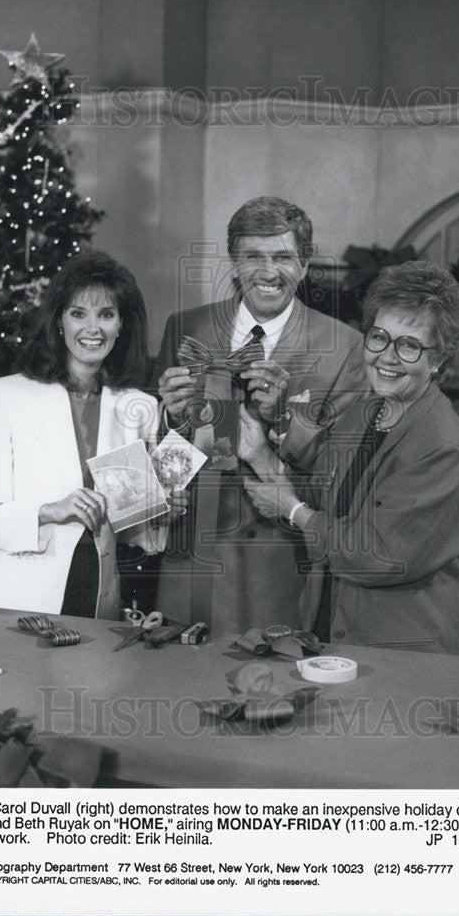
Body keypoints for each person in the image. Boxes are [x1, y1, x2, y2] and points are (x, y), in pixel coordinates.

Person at [238, 260, 459, 653]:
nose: (387, 357)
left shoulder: (442, 449)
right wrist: (260, 455)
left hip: (410, 646)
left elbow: (376, 555)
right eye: (379, 337)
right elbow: (329, 492)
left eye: (408, 345)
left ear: (438, 359)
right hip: (341, 627)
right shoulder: (368, 411)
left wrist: (292, 510)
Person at [154, 196, 367, 634]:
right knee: (177, 681)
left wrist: (284, 420)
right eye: (253, 256)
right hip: (189, 559)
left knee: (272, 693)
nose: (268, 272)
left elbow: (345, 475)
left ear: (304, 266)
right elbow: (158, 451)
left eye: (283, 257)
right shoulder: (184, 328)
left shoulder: (344, 348)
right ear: (234, 262)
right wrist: (171, 420)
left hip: (279, 566)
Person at [0, 252, 186, 618]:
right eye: (78, 313)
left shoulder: (139, 406)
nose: (92, 329)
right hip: (19, 598)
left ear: (121, 325)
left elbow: (130, 528)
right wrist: (49, 511)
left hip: (100, 596)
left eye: (106, 315)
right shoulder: (8, 394)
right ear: (59, 321)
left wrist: (161, 513)